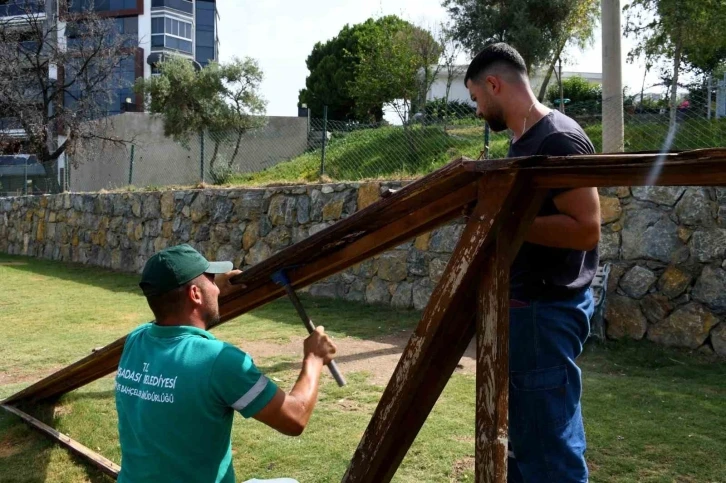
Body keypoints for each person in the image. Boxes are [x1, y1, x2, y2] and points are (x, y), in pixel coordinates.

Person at [465, 43, 601, 483]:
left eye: (475, 98)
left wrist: (501, 220)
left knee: (549, 457)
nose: (476, 108)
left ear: (493, 84)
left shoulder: (557, 138)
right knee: (524, 449)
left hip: (546, 312)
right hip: (526, 312)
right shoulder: (522, 143)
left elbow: (586, 229)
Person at [115, 243, 337, 483]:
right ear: (195, 294)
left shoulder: (136, 339)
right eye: (211, 279)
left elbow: (171, 316)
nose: (217, 289)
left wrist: (211, 290)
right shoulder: (219, 361)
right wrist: (314, 359)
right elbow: (294, 418)